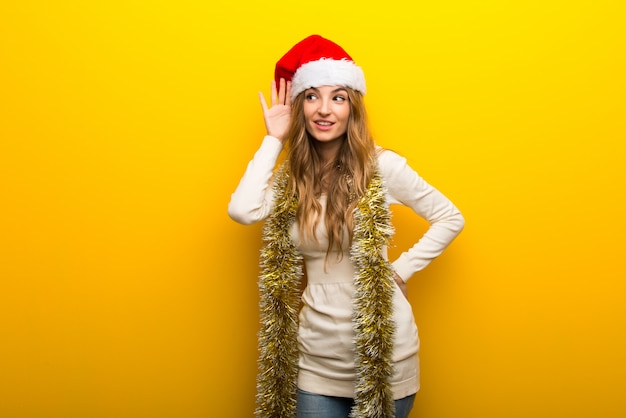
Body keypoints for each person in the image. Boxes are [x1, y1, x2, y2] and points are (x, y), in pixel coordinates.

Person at [228, 35, 464, 418]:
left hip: (383, 355)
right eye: (311, 97)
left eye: (338, 97)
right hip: (315, 358)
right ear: (298, 106)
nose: (324, 109)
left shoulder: (381, 167)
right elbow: (242, 210)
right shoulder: (291, 180)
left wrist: (400, 270)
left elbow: (450, 217)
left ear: (352, 107)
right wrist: (273, 139)